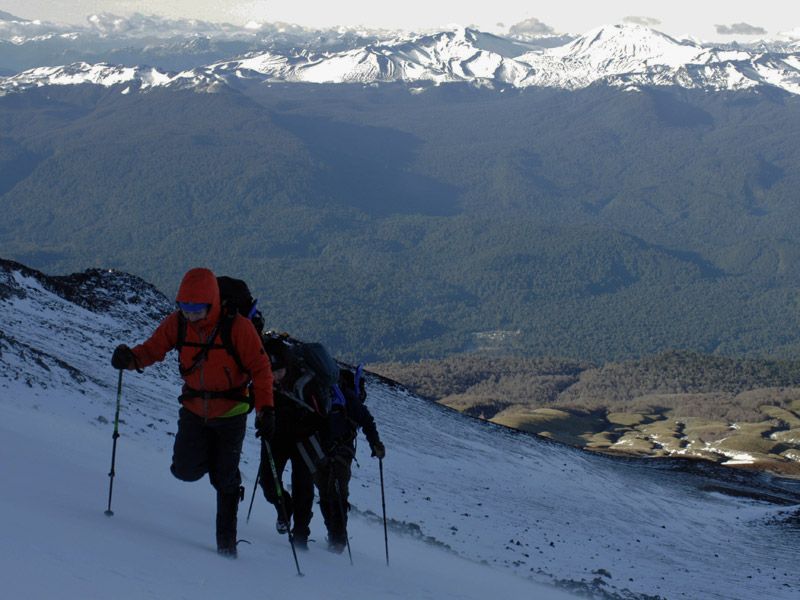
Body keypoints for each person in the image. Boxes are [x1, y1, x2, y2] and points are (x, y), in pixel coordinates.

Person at [111, 267, 274, 558]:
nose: (191, 314)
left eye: (197, 309)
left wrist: (266, 410)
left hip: (232, 411)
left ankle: (226, 546)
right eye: (185, 307)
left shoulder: (237, 328)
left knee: (224, 480)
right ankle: (222, 466)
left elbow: (261, 371)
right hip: (194, 408)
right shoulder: (178, 324)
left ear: (212, 302)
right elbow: (153, 349)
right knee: (183, 470)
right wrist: (131, 359)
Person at [311, 365, 385, 553]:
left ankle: (337, 538)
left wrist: (375, 443)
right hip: (337, 448)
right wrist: (375, 443)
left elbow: (366, 420)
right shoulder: (342, 396)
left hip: (327, 448)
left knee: (331, 492)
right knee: (332, 492)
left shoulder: (334, 393)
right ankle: (336, 537)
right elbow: (367, 421)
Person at [257, 335, 320, 550]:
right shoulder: (262, 380)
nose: (274, 376)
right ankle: (284, 509)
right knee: (267, 482)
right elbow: (251, 402)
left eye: (278, 371)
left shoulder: (306, 382)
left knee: (303, 486)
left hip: (304, 439)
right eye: (270, 371)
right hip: (275, 437)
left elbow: (321, 416)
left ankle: (301, 533)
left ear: (287, 365)